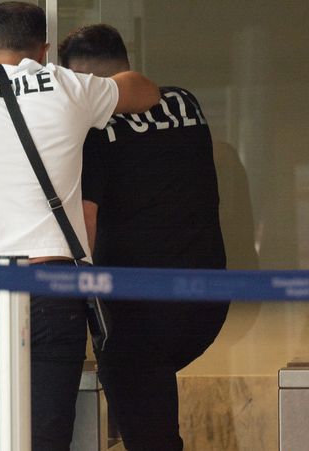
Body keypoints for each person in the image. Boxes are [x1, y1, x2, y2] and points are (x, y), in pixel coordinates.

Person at [0, 2, 160, 450]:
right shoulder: (70, 86)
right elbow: (146, 92)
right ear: (42, 48)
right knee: (46, 438)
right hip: (50, 287)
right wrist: (70, 77)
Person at [59, 24, 229, 451]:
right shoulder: (185, 102)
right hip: (207, 298)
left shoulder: (94, 129)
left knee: (150, 434)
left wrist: (74, 296)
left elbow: (86, 222)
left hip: (138, 309)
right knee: (153, 409)